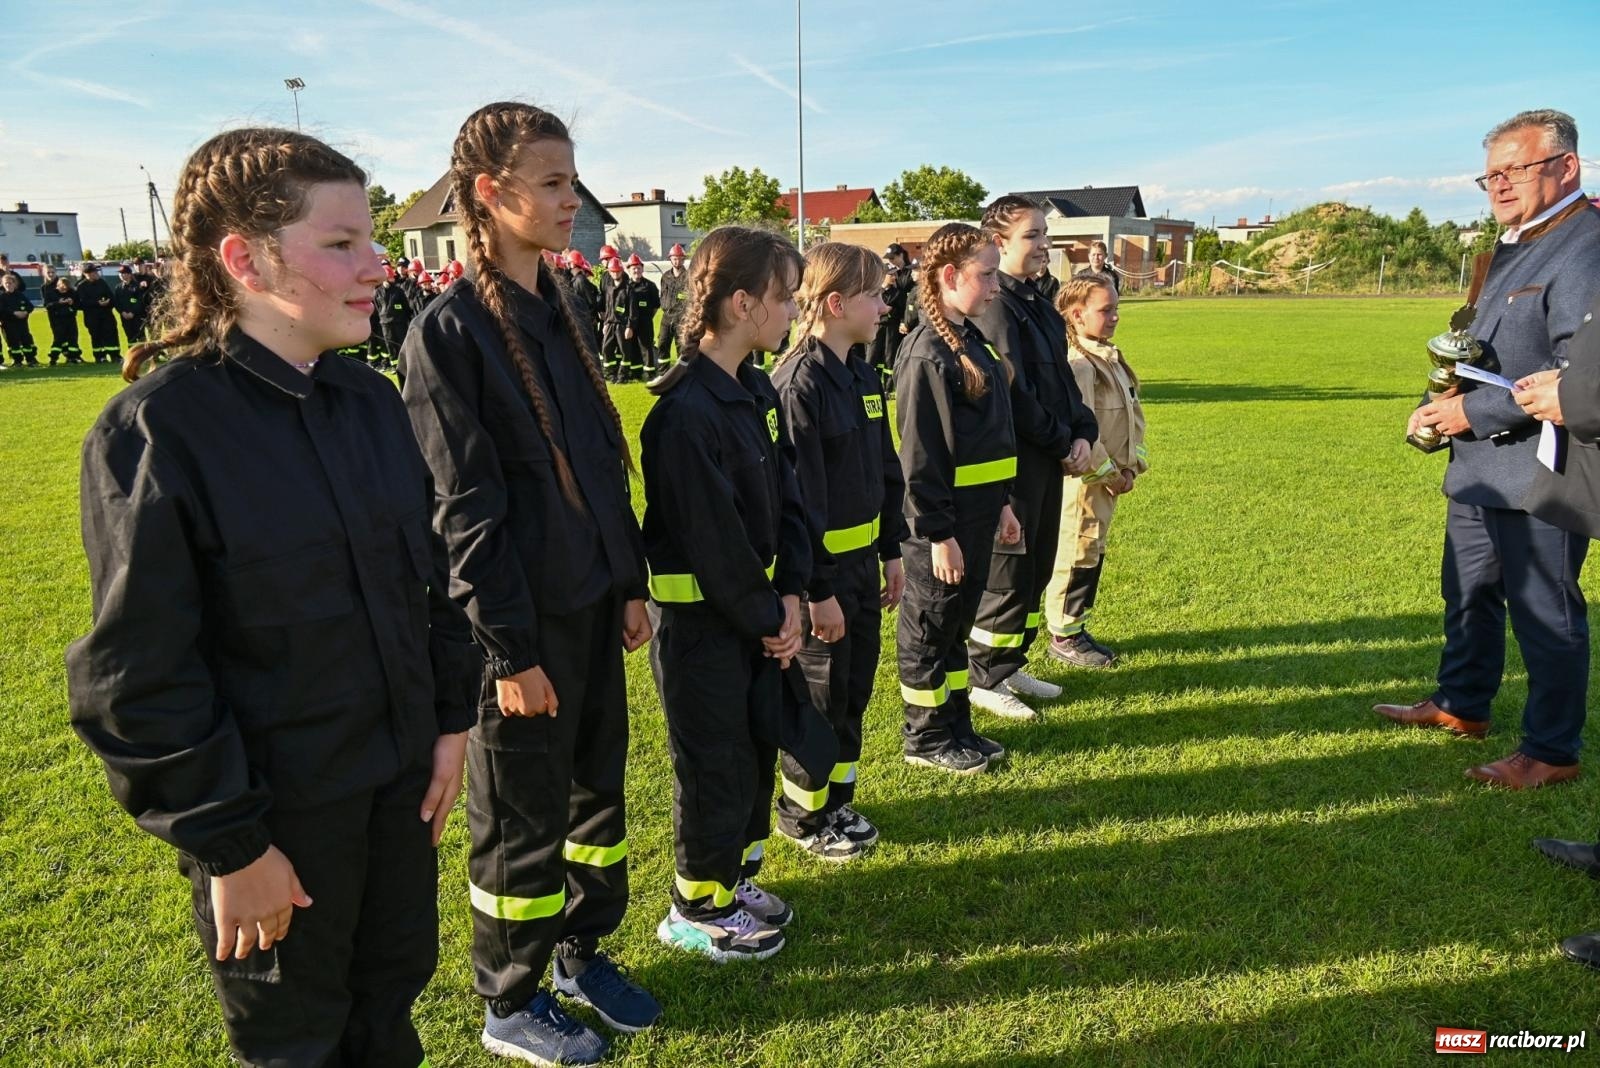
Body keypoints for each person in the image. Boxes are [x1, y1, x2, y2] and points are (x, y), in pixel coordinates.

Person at [65, 127, 476, 1068]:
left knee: (388, 1014)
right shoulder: (160, 430)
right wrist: (231, 848)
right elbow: (135, 676)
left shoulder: (369, 403)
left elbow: (435, 580)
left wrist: (448, 722)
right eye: (342, 244)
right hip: (277, 828)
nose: (379, 264)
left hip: (398, 793)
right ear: (245, 260)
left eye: (371, 238)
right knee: (299, 1045)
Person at [401, 101, 661, 1067]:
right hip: (518, 631)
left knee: (596, 799)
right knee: (518, 820)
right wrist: (508, 650)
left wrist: (627, 583)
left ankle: (580, 954)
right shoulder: (447, 332)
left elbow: (598, 458)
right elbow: (461, 509)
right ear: (489, 194)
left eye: (570, 180)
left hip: (594, 606)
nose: (570, 200)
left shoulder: (563, 304)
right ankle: (508, 1001)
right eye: (551, 183)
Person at [1377, 109, 1600, 789]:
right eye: (1491, 174)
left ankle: (1551, 750)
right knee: (1467, 593)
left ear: (1567, 167)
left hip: (1539, 467)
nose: (1500, 185)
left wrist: (1469, 411)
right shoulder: (1516, 243)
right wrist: (1440, 402)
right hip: (1478, 468)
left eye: (1516, 170)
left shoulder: (1585, 247)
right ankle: (1460, 704)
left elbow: (1572, 379)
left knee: (1545, 612)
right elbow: (1479, 351)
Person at [641, 224, 818, 962]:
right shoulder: (684, 413)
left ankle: (732, 879)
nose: (793, 313)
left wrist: (796, 594)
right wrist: (767, 613)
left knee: (749, 756)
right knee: (712, 766)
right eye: (785, 298)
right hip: (702, 629)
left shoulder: (752, 391)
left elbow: (788, 496)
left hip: (755, 621)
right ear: (743, 303)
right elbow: (713, 540)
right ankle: (693, 909)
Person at [770, 242, 907, 859]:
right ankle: (801, 815)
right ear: (833, 303)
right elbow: (798, 505)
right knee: (818, 699)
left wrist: (893, 551)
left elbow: (885, 469)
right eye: (874, 294)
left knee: (853, 690)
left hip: (861, 571)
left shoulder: (860, 371)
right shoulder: (799, 383)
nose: (884, 305)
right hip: (823, 583)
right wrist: (817, 591)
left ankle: (837, 803)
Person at [895, 222, 1020, 774]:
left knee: (955, 629)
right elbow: (920, 460)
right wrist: (937, 535)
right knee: (930, 628)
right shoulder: (927, 353)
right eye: (986, 274)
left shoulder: (971, 339)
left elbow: (989, 440)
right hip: (943, 530)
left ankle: (955, 724)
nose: (995, 285)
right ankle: (924, 737)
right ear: (949, 276)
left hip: (977, 516)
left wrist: (1004, 503)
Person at [966, 196, 1096, 722]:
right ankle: (982, 675)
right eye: (1034, 235)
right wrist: (1062, 441)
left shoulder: (1039, 300)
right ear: (999, 243)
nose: (1045, 244)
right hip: (1020, 461)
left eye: (1045, 234)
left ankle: (1009, 662)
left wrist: (1083, 430)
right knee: (1008, 571)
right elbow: (1014, 393)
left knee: (1037, 567)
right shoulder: (998, 306)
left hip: (1050, 457)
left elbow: (1063, 378)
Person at [1044, 273, 1147, 667]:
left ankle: (1077, 626)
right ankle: (1063, 635)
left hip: (1112, 482)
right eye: (1106, 310)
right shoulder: (1079, 365)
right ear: (1076, 314)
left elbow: (1132, 419)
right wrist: (1111, 474)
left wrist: (1133, 466)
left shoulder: (1108, 357)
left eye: (1117, 309)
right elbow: (1082, 431)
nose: (1115, 317)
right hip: (1087, 484)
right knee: (1076, 553)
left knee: (1094, 553)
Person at [870, 242, 914, 391]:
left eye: (893, 258)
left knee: (890, 356)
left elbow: (900, 301)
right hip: (880, 323)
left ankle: (889, 387)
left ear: (901, 255)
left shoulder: (908, 274)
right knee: (874, 355)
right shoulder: (883, 282)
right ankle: (873, 384)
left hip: (896, 323)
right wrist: (884, 286)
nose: (890, 261)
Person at [620, 253, 660, 378]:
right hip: (630, 323)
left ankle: (650, 372)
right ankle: (636, 373)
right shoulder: (625, 286)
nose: (636, 270)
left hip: (645, 322)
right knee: (633, 347)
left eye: (638, 268)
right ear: (629, 270)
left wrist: (647, 318)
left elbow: (655, 306)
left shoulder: (650, 286)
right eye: (633, 268)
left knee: (646, 347)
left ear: (642, 269)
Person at [76, 262, 121, 365]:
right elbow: (80, 303)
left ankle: (115, 355)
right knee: (96, 337)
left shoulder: (102, 283)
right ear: (87, 274)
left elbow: (111, 296)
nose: (96, 273)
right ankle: (100, 357)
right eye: (94, 272)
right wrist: (97, 303)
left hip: (106, 315)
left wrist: (108, 302)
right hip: (92, 317)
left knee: (111, 335)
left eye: (96, 271)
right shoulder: (81, 286)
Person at [656, 244, 689, 367]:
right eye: (675, 258)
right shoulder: (665, 277)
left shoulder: (689, 277)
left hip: (682, 318)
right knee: (662, 343)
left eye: (680, 258)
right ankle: (663, 372)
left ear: (683, 259)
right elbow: (662, 295)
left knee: (681, 346)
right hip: (667, 317)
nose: (677, 261)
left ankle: (681, 373)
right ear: (670, 259)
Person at [43, 270, 83, 364]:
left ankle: (73, 357)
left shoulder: (72, 292)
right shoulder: (51, 293)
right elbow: (47, 306)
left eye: (66, 288)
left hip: (70, 318)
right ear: (58, 285)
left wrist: (72, 303)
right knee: (59, 339)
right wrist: (58, 303)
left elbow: (79, 305)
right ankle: (53, 357)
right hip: (57, 320)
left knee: (73, 338)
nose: (65, 290)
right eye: (62, 288)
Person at [0, 272, 36, 367]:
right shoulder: (2, 297)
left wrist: (25, 312)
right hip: (9, 325)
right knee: (13, 343)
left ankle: (30, 359)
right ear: (3, 284)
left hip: (22, 324)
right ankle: (17, 361)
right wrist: (14, 313)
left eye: (10, 283)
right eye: (6, 283)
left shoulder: (20, 295)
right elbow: (2, 310)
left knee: (26, 342)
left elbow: (30, 306)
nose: (8, 285)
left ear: (14, 284)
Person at [600, 255, 627, 382]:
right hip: (610, 323)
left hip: (622, 324)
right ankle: (610, 374)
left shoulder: (628, 289)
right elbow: (608, 307)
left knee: (624, 351)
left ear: (621, 271)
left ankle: (622, 376)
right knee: (606, 349)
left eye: (617, 271)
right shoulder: (609, 289)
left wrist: (630, 326)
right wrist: (605, 323)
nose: (615, 273)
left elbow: (632, 310)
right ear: (609, 272)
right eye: (613, 271)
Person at [113, 263, 150, 343]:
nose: (121, 275)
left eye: (123, 273)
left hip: (137, 317)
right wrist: (122, 312)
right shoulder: (118, 288)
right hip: (125, 317)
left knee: (141, 337)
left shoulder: (137, 286)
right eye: (120, 273)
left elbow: (140, 301)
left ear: (129, 274)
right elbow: (116, 302)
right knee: (129, 337)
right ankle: (132, 354)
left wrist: (132, 312)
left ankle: (142, 354)